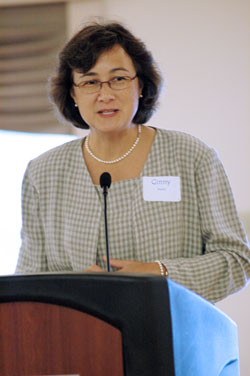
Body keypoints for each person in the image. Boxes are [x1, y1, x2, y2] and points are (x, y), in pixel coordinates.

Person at [16, 22, 250, 303]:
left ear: (140, 85)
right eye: (90, 82)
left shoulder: (191, 156)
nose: (105, 95)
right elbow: (28, 284)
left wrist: (158, 273)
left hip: (172, 338)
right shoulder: (43, 173)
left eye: (119, 79)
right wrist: (76, 288)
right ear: (73, 94)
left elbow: (237, 261)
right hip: (79, 340)